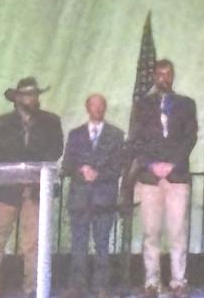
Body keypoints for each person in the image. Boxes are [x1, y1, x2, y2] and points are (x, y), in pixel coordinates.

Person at [128, 59, 200, 298]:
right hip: (150, 178)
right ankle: (152, 282)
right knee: (151, 232)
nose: (163, 77)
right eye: (160, 73)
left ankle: (179, 281)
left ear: (173, 76)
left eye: (168, 73)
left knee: (177, 231)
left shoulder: (186, 104)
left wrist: (171, 164)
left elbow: (190, 137)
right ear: (154, 76)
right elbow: (137, 139)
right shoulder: (142, 105)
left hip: (176, 177)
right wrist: (151, 164)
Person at [0, 77, 64, 291]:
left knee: (33, 241)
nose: (32, 98)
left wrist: (31, 166)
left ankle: (32, 288)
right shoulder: (2, 123)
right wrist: (17, 164)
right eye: (27, 94)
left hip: (35, 188)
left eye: (34, 94)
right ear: (17, 98)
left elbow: (56, 150)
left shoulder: (51, 121)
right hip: (7, 189)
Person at [61, 95, 125, 298]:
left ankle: (101, 287)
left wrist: (98, 174)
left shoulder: (116, 135)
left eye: (100, 105)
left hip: (103, 198)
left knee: (102, 244)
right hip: (80, 197)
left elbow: (117, 167)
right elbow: (67, 165)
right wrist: (82, 170)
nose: (97, 108)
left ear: (105, 108)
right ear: (87, 107)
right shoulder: (75, 134)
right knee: (78, 244)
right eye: (93, 105)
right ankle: (77, 286)